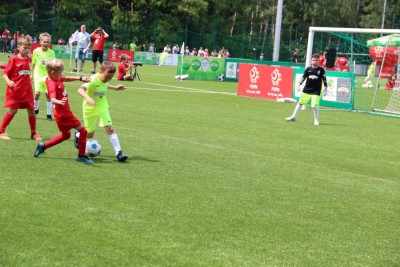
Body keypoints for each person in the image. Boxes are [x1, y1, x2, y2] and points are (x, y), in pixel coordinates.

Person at [33, 58, 93, 164]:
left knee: (66, 135)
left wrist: (80, 78)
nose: (62, 75)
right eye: (60, 73)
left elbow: (67, 78)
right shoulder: (52, 84)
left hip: (60, 114)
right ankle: (81, 155)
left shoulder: (55, 78)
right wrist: (59, 102)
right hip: (64, 114)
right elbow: (52, 98)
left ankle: (43, 146)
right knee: (83, 131)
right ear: (53, 72)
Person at [76, 61, 128, 162]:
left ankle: (119, 152)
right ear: (100, 71)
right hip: (90, 108)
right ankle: (78, 135)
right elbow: (80, 90)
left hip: (102, 106)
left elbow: (105, 84)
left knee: (110, 129)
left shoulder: (105, 78)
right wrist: (88, 98)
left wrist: (115, 88)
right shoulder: (92, 80)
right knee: (89, 134)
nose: (108, 80)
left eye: (110, 78)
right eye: (106, 77)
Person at [0, 35, 42, 140]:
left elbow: (29, 72)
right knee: (13, 110)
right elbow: (5, 73)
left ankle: (33, 134)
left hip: (27, 91)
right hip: (15, 90)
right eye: (25, 47)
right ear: (19, 47)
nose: (27, 50)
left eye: (28, 48)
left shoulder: (29, 60)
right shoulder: (13, 59)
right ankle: (1, 131)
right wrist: (9, 81)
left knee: (31, 111)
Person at [285, 53, 328, 126]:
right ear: (311, 60)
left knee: (314, 105)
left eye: (316, 60)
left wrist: (326, 87)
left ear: (318, 61)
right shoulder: (308, 69)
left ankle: (316, 120)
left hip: (316, 91)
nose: (314, 61)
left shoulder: (321, 70)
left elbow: (324, 79)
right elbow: (304, 76)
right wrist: (299, 84)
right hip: (307, 89)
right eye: (313, 60)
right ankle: (294, 116)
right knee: (300, 103)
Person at [31, 32, 56, 120]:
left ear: (49, 43)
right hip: (38, 75)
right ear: (40, 42)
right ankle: (36, 108)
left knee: (48, 95)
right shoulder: (36, 51)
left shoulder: (52, 52)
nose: (46, 43)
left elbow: (53, 65)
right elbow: (33, 63)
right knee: (37, 93)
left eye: (47, 42)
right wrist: (31, 74)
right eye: (44, 41)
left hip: (48, 76)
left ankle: (48, 114)